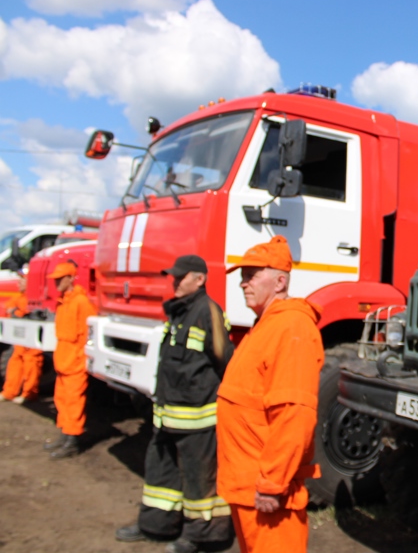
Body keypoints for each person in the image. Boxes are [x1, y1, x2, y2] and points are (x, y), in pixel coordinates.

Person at [116, 254, 234, 553]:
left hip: (197, 419)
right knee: (160, 474)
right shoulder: (180, 312)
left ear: (199, 279)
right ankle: (155, 526)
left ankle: (199, 537)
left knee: (200, 482)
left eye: (180, 277)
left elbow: (226, 362)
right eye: (173, 276)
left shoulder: (208, 312)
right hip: (168, 415)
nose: (174, 282)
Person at [216, 235, 324, 553]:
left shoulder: (292, 328)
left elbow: (295, 413)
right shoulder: (264, 326)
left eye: (252, 275)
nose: (243, 283)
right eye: (242, 276)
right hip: (247, 483)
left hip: (265, 490)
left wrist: (273, 483)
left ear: (279, 282)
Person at [43, 260, 96, 459]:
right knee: (62, 400)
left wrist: (81, 359)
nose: (56, 283)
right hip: (62, 360)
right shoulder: (64, 301)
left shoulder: (81, 302)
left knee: (73, 402)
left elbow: (87, 335)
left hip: (74, 361)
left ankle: (72, 441)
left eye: (60, 279)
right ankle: (64, 435)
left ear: (71, 278)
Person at [0, 269, 44, 404]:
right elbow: (9, 309)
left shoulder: (34, 299)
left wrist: (16, 312)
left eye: (22, 280)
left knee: (31, 363)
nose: (18, 283)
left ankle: (29, 394)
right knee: (15, 363)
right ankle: (9, 392)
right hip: (19, 339)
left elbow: (23, 312)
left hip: (31, 340)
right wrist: (15, 311)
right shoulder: (20, 296)